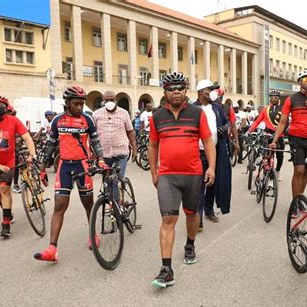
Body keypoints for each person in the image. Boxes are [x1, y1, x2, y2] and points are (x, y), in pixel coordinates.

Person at [148, 72, 215, 288]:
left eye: (179, 87)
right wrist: (153, 172)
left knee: (191, 213)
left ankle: (190, 244)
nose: (176, 91)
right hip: (168, 176)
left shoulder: (197, 113)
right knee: (168, 219)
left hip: (193, 174)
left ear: (185, 90)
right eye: (171, 88)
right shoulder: (157, 117)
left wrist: (211, 167)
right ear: (165, 93)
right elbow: (152, 145)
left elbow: (207, 141)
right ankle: (166, 269)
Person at [34, 86, 108, 262]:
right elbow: (50, 146)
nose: (80, 107)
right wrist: (43, 169)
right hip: (65, 167)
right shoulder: (57, 121)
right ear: (67, 103)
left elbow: (96, 142)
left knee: (88, 205)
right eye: (76, 104)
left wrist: (101, 160)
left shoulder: (87, 120)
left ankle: (92, 234)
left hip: (83, 166)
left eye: (82, 104)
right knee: (59, 206)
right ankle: (52, 248)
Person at [0, 95, 36, 237]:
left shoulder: (13, 121)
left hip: (9, 162)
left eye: (2, 104)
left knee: (4, 189)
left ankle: (6, 223)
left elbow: (27, 137)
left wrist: (32, 154)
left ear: (6, 107)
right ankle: (7, 212)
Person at [269, 69, 307, 202]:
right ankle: (294, 202)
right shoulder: (292, 99)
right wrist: (275, 140)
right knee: (299, 170)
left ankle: (299, 199)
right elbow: (283, 122)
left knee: (306, 171)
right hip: (296, 138)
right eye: (306, 79)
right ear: (300, 82)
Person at [192, 79, 231, 232]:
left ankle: (209, 210)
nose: (214, 92)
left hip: (216, 151)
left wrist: (225, 128)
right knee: (200, 186)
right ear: (202, 92)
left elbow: (227, 122)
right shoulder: (192, 108)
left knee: (213, 183)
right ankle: (198, 218)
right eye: (210, 89)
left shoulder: (217, 108)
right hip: (198, 152)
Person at [92, 90, 137, 201]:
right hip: (104, 154)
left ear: (116, 100)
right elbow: (92, 134)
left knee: (117, 180)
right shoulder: (96, 114)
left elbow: (130, 131)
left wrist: (135, 149)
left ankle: (117, 206)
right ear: (103, 100)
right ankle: (110, 203)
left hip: (121, 152)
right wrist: (92, 152)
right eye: (107, 100)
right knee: (107, 181)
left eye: (112, 99)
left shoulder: (124, 113)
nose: (109, 102)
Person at [249, 89, 285, 180]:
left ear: (279, 99)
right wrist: (249, 131)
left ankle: (277, 171)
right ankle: (266, 172)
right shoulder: (265, 110)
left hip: (279, 136)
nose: (274, 99)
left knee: (280, 155)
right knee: (266, 155)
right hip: (267, 135)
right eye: (272, 98)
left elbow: (286, 122)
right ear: (270, 99)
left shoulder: (283, 109)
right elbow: (257, 122)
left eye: (276, 98)